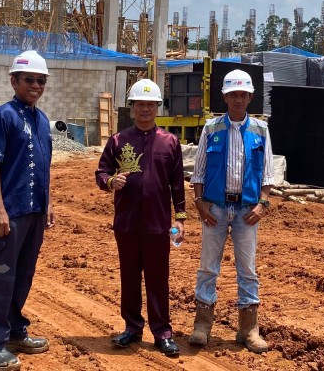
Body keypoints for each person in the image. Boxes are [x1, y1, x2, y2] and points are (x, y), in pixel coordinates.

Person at [95, 78, 186, 358]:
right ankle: (132, 328)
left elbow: (177, 183)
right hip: (126, 223)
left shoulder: (170, 142)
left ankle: (162, 333)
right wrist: (111, 182)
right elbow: (101, 172)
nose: (145, 109)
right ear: (132, 107)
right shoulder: (118, 140)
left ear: (157, 108)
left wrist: (180, 218)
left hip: (157, 223)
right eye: (140, 104)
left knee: (158, 279)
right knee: (129, 277)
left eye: (150, 104)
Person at [0, 50, 55, 371]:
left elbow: (44, 165)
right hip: (9, 214)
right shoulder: (3, 116)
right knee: (2, 276)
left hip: (34, 211)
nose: (35, 85)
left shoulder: (42, 120)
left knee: (23, 274)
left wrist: (48, 204)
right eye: (29, 80)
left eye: (41, 80)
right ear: (14, 81)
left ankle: (14, 331)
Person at [189, 69, 274, 353]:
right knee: (207, 267)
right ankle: (202, 326)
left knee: (247, 269)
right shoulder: (211, 128)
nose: (238, 99)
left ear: (250, 97)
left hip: (247, 210)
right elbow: (199, 171)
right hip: (214, 208)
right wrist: (200, 203)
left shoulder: (261, 130)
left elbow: (268, 174)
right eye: (233, 94)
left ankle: (248, 329)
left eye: (243, 94)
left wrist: (262, 204)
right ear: (224, 97)